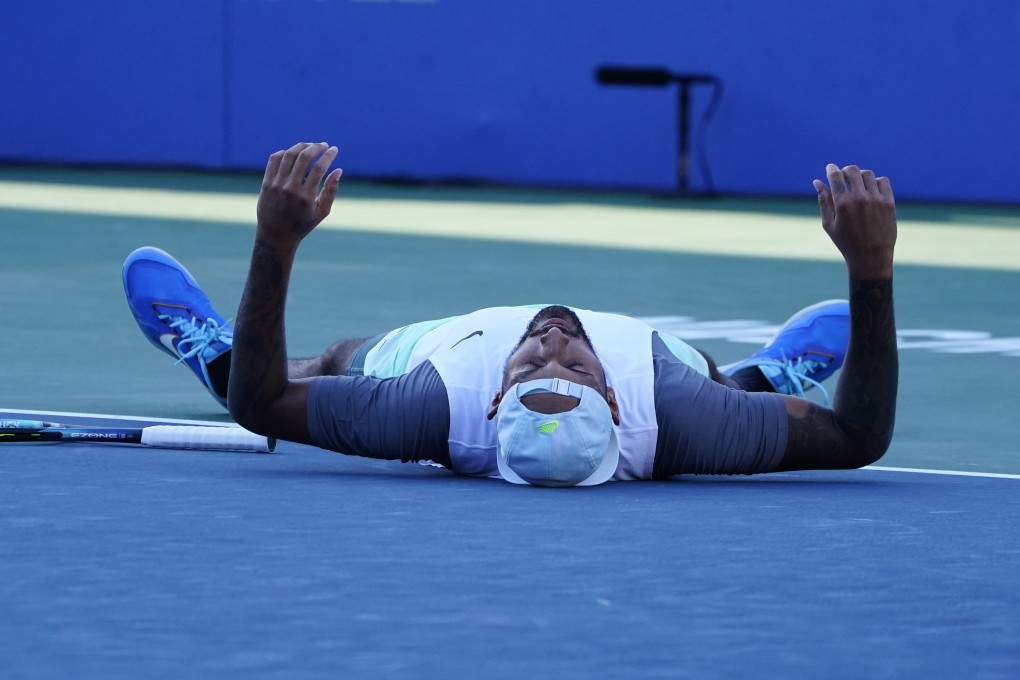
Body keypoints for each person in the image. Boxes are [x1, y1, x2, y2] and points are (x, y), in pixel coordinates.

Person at [124, 142, 898, 486]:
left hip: (443, 354)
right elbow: (858, 437)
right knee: (726, 386)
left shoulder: (434, 406)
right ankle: (768, 376)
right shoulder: (675, 413)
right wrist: (871, 269)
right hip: (678, 375)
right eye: (572, 366)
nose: (554, 341)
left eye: (538, 364)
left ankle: (211, 354)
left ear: (498, 399)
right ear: (616, 401)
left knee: (330, 362)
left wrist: (275, 242)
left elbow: (261, 409)